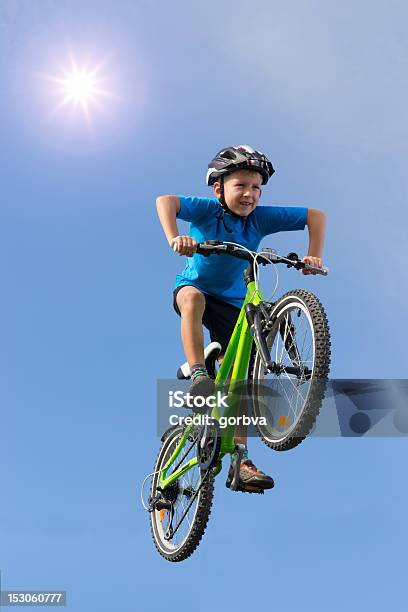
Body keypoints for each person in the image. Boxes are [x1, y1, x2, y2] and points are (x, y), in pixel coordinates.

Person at [156, 145, 326, 492]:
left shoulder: (260, 218)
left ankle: (241, 459)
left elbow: (316, 216)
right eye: (240, 186)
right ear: (219, 188)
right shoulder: (207, 210)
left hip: (235, 302)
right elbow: (166, 201)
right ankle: (199, 372)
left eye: (256, 187)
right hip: (198, 288)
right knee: (191, 297)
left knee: (241, 381)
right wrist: (176, 237)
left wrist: (314, 256)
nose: (249, 194)